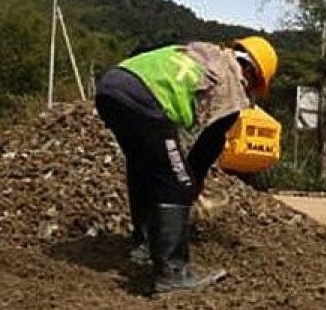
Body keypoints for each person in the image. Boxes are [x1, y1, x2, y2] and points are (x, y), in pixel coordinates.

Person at [95, 36, 278, 295]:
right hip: (145, 99)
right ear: (251, 73)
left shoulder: (200, 50)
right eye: (255, 87)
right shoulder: (232, 89)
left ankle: (146, 247)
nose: (250, 93)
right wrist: (188, 188)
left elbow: (148, 50)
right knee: (176, 183)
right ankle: (172, 275)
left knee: (144, 167)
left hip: (112, 85)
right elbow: (202, 155)